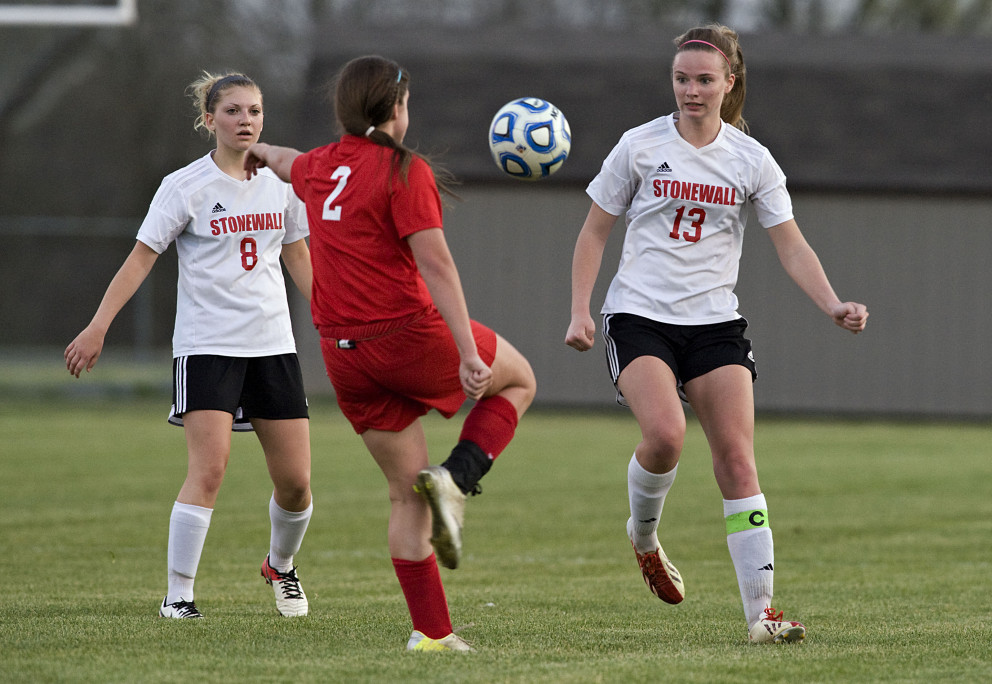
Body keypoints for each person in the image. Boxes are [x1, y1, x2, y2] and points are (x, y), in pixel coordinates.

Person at [565, 24, 868, 644]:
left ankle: (762, 616)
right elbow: (594, 231)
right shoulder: (639, 145)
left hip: (714, 325)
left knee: (736, 459)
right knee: (665, 437)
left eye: (704, 80)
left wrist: (833, 303)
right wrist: (580, 311)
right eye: (682, 79)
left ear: (730, 82)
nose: (691, 91)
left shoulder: (751, 160)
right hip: (639, 317)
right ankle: (644, 536)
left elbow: (791, 245)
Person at [244, 55, 536, 652]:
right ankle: (457, 478)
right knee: (518, 381)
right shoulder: (404, 170)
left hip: (342, 353)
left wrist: (260, 150)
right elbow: (437, 264)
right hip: (405, 334)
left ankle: (432, 633)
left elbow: (286, 161)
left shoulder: (320, 166)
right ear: (396, 108)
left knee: (406, 494)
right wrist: (466, 353)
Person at [64, 71, 316, 620]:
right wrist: (98, 325)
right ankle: (178, 596)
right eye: (232, 111)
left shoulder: (283, 182)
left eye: (254, 111)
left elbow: (296, 252)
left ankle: (281, 566)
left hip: (273, 345)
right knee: (210, 470)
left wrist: (331, 311)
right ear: (209, 120)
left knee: (296, 483)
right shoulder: (185, 186)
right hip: (208, 346)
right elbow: (141, 258)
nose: (245, 120)